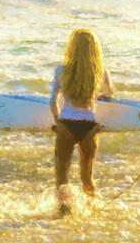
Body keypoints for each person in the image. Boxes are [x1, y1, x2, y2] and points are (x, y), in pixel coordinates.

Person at [49, 29, 114, 215]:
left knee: (61, 176)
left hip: (66, 124)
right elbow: (109, 94)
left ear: (72, 47)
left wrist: (57, 121)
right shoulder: (100, 72)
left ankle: (63, 210)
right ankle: (93, 212)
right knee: (87, 177)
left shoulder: (61, 70)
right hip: (88, 126)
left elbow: (53, 100)